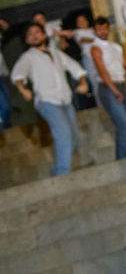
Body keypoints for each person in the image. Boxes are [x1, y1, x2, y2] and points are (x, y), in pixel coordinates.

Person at [11, 22, 89, 176]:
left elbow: (75, 68)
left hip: (65, 101)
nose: (34, 35)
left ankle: (68, 164)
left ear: (44, 35)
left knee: (72, 135)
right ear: (27, 41)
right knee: (63, 133)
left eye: (37, 32)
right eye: (30, 34)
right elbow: (18, 75)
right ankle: (61, 174)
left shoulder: (56, 53)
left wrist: (83, 82)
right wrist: (23, 89)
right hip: (47, 101)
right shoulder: (28, 57)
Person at [86, 17, 126, 160]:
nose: (102, 32)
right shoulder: (95, 48)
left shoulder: (115, 47)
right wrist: (113, 89)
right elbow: (102, 70)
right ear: (94, 31)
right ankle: (123, 160)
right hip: (108, 88)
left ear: (108, 29)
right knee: (124, 124)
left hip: (122, 85)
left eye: (105, 28)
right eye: (99, 29)